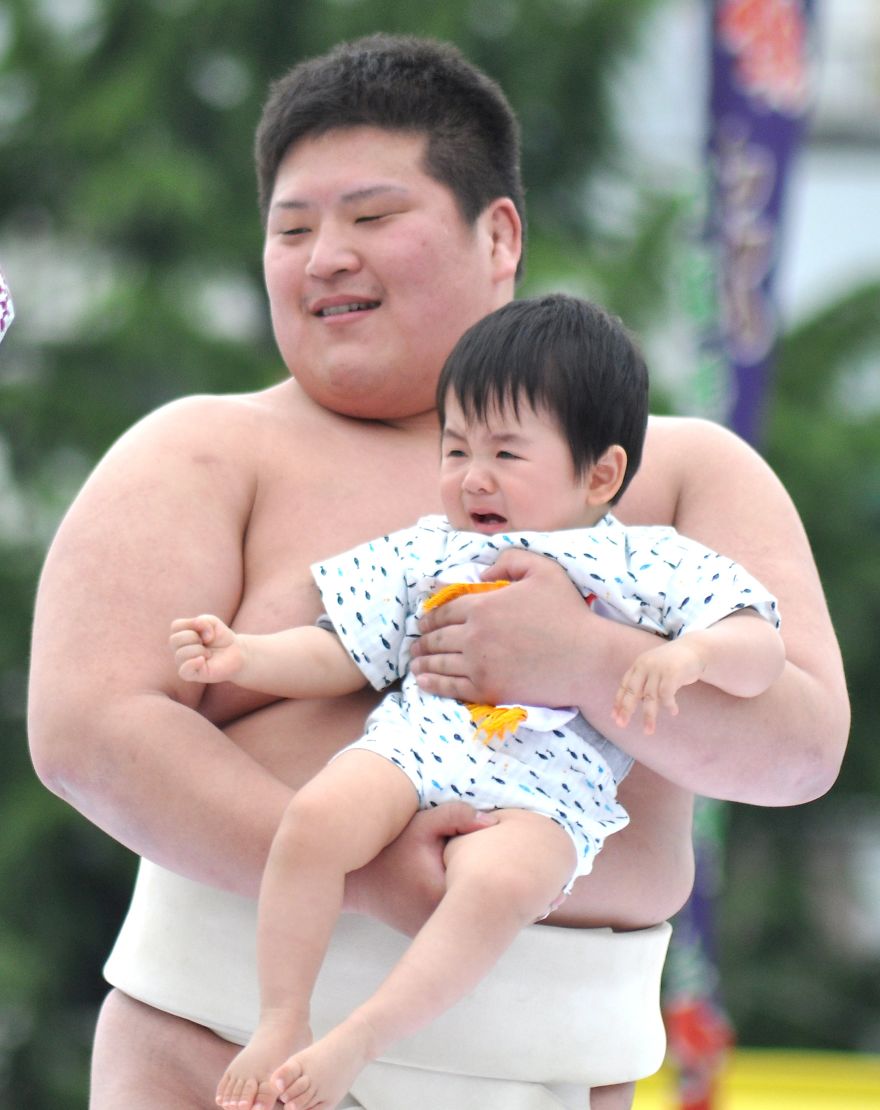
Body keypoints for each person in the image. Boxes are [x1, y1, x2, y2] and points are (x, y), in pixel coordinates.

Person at [26, 33, 847, 1110]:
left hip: (558, 1068)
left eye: (370, 218)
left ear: (496, 232)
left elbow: (799, 751)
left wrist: (593, 662)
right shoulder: (197, 453)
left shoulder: (676, 472)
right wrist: (363, 874)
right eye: (291, 227)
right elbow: (88, 729)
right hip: (219, 1048)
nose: (324, 256)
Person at [169, 293, 785, 1110]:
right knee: (314, 820)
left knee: (494, 889)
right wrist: (247, 656)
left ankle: (361, 1036)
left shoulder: (645, 563)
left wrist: (694, 653)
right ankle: (282, 1019)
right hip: (416, 744)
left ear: (600, 471)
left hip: (550, 793)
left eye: (505, 452)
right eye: (455, 449)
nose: (473, 476)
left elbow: (761, 645)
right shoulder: (429, 547)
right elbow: (343, 645)